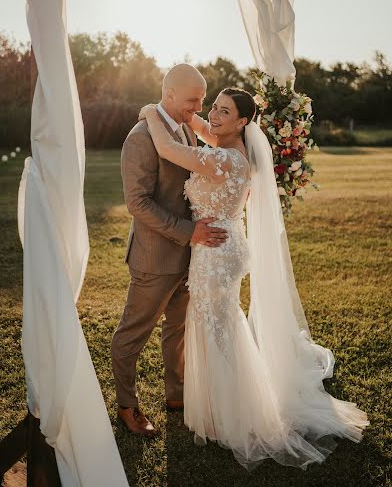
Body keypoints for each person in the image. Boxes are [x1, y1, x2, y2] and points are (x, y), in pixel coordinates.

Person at [139, 87, 368, 469]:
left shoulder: (227, 159)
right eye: (213, 106)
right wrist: (188, 112)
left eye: (224, 111)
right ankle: (219, 407)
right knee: (219, 325)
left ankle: (235, 416)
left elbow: (169, 150)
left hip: (216, 251)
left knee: (216, 328)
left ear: (243, 122)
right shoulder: (230, 145)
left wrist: (151, 111)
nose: (213, 114)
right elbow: (205, 128)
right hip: (220, 245)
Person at [111, 64, 228, 438]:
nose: (198, 107)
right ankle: (127, 406)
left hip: (189, 257)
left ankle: (175, 395)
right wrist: (188, 232)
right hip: (155, 258)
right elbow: (138, 203)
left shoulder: (183, 127)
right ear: (170, 93)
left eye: (202, 100)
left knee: (176, 330)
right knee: (132, 334)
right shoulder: (141, 137)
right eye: (193, 99)